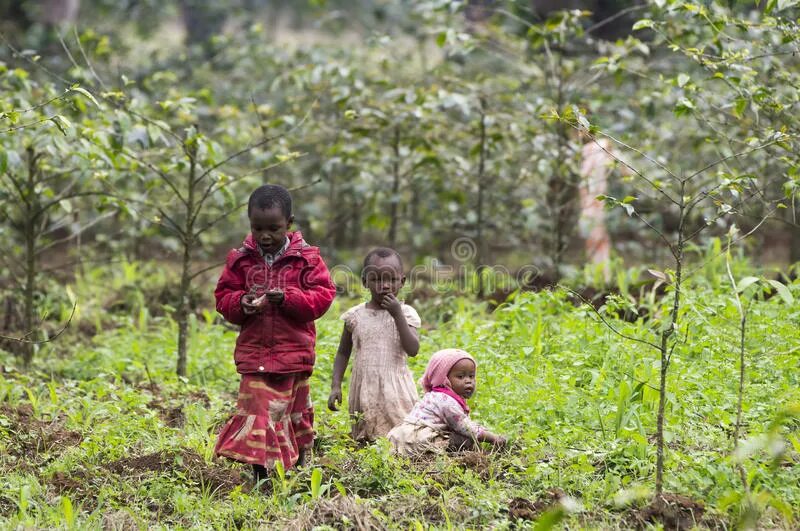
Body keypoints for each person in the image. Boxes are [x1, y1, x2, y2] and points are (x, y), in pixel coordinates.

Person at [214, 184, 336, 482]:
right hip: (255, 352)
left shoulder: (307, 259)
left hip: (293, 352)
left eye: (274, 228)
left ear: (289, 224)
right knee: (256, 409)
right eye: (258, 228)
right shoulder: (240, 259)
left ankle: (300, 460)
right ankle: (260, 472)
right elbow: (224, 296)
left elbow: (323, 296)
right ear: (249, 224)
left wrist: (290, 298)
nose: (265, 235)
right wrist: (241, 302)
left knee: (293, 411)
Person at [327, 247, 421, 442]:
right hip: (364, 388)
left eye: (391, 280)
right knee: (366, 437)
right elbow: (343, 353)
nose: (384, 286)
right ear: (365, 282)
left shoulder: (407, 313)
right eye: (376, 280)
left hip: (396, 391)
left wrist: (397, 315)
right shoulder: (355, 316)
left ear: (402, 282)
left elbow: (413, 350)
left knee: (401, 437)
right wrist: (336, 385)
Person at [388, 348, 506, 455]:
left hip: (406, 437)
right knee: (465, 439)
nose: (468, 381)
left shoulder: (439, 395)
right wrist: (493, 438)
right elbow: (466, 427)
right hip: (414, 440)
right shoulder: (446, 401)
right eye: (460, 377)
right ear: (443, 378)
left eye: (471, 376)